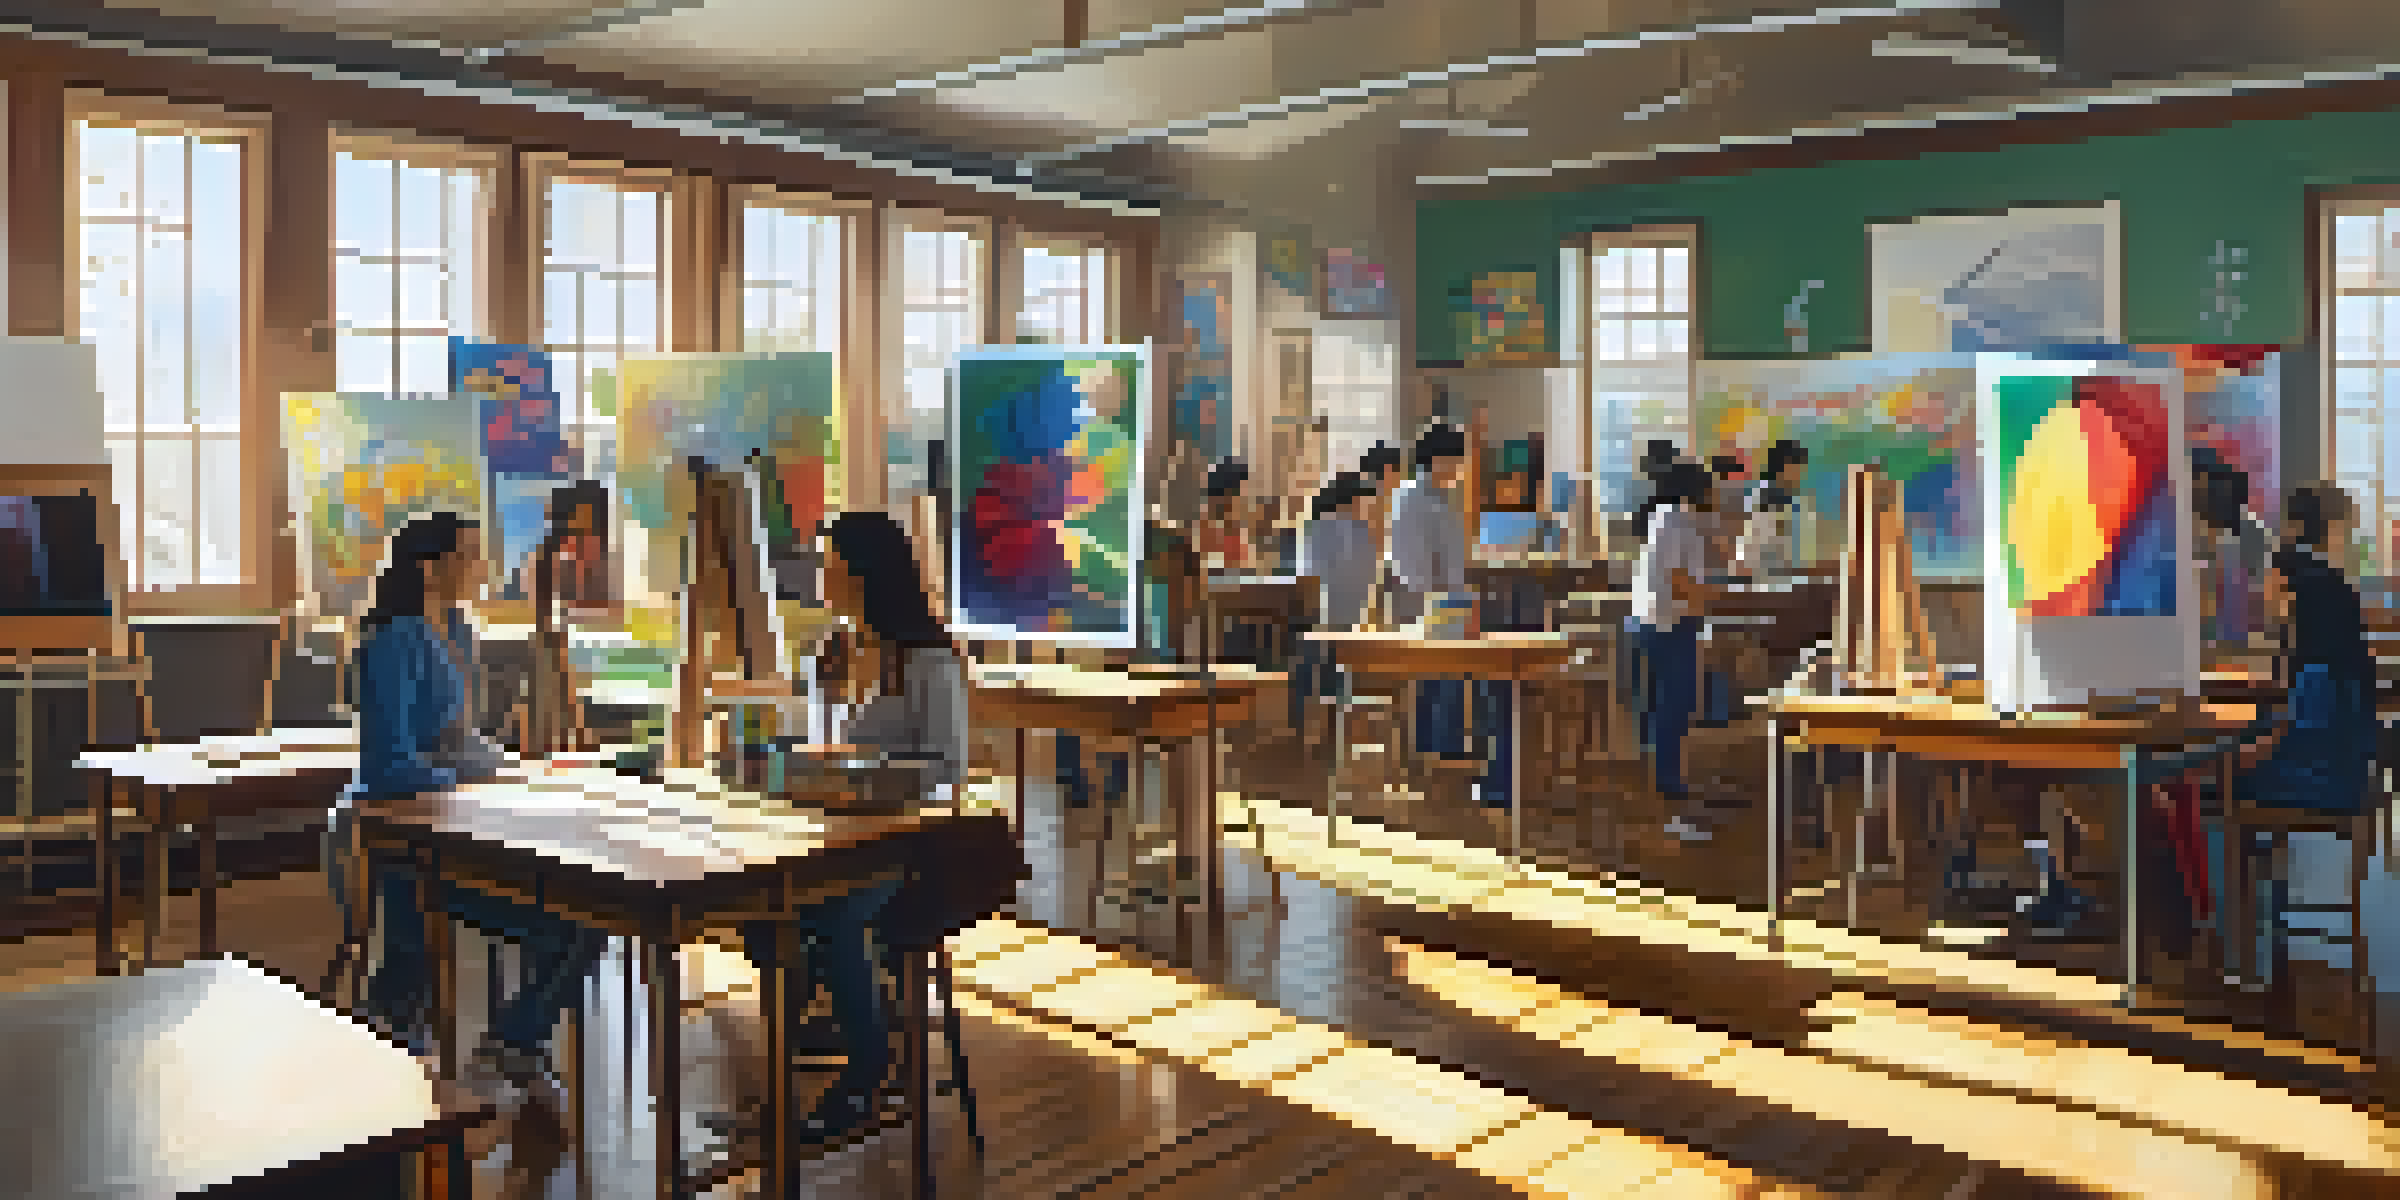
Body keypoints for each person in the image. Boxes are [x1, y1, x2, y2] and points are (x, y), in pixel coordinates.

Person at [329, 512, 606, 1096]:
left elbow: (464, 742)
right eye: (470, 555)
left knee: (583, 919)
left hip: (447, 836)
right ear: (433, 567)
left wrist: (508, 767)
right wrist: (467, 775)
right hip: (389, 844)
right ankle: (401, 1031)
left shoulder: (456, 630)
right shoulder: (394, 641)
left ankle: (516, 1039)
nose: (481, 567)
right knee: (417, 955)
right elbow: (388, 767)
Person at [725, 511, 971, 1147]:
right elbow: (823, 746)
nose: (821, 580)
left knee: (832, 915)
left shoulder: (926, 658)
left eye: (831, 568)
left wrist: (870, 773)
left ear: (866, 577)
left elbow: (947, 766)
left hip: (904, 851)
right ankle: (812, 1039)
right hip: (829, 839)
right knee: (762, 913)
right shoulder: (833, 652)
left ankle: (865, 1068)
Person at [1634, 461, 1721, 840]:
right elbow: (1679, 579)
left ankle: (1666, 773)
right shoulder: (1677, 523)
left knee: (1669, 702)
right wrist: (1715, 596)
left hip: (1660, 620)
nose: (1716, 496)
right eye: (1711, 490)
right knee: (1677, 702)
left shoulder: (1668, 519)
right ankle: (1668, 777)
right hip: (1669, 622)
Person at [1390, 425, 1479, 772]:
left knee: (1434, 677)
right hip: (1434, 598)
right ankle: (1444, 745)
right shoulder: (1422, 499)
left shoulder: (1423, 495)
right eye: (1457, 462)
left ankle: (1434, 743)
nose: (1459, 470)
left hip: (1428, 596)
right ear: (1439, 460)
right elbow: (1425, 560)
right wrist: (1449, 602)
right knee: (1447, 674)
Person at [1297, 472, 1377, 732]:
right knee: (1333, 680)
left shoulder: (1317, 527)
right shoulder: (1351, 530)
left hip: (1324, 620)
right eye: (1362, 500)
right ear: (1348, 501)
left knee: (1321, 683)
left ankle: (1314, 731)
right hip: (1338, 621)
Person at [1737, 440, 1811, 575]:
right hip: (1758, 573)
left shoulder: (1793, 500)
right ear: (1780, 467)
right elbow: (1750, 547)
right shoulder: (1761, 497)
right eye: (1796, 469)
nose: (1799, 476)